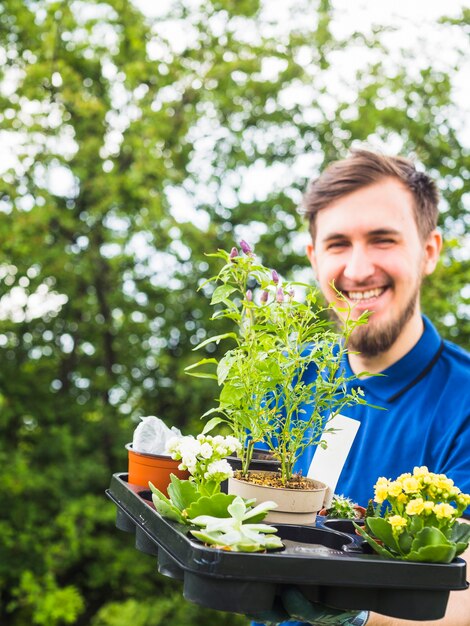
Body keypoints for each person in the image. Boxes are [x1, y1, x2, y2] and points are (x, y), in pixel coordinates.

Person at [254, 149, 470, 626]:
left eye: (382, 240)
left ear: (429, 250)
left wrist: (356, 616)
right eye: (337, 244)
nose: (357, 270)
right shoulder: (285, 383)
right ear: (314, 257)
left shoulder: (464, 403)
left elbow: (468, 597)